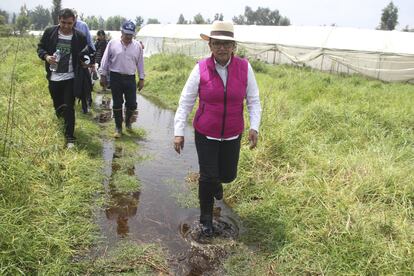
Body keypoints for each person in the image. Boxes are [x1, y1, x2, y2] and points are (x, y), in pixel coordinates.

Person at [173, 21, 262, 237]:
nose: (221, 48)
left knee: (228, 175)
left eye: (226, 44)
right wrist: (178, 131)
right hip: (206, 133)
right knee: (207, 176)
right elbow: (185, 101)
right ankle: (206, 220)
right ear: (210, 46)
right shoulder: (201, 68)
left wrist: (254, 126)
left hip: (232, 132)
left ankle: (217, 184)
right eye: (217, 43)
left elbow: (253, 99)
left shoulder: (244, 67)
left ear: (234, 46)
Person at [37, 8, 88, 149]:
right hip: (54, 77)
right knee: (58, 106)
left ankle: (70, 137)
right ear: (58, 20)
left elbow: (86, 54)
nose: (66, 26)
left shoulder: (80, 37)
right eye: (63, 22)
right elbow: (40, 48)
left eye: (69, 23)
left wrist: (85, 62)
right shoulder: (50, 32)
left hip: (70, 78)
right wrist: (46, 57)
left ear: (74, 22)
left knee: (69, 107)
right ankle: (62, 124)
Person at [99, 20, 145, 138]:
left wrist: (141, 78)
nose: (128, 37)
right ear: (122, 32)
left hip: (130, 78)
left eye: (131, 34)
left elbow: (140, 63)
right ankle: (118, 127)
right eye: (126, 34)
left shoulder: (137, 46)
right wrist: (103, 75)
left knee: (132, 104)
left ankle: (128, 122)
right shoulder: (112, 43)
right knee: (117, 103)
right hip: (115, 77)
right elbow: (105, 60)